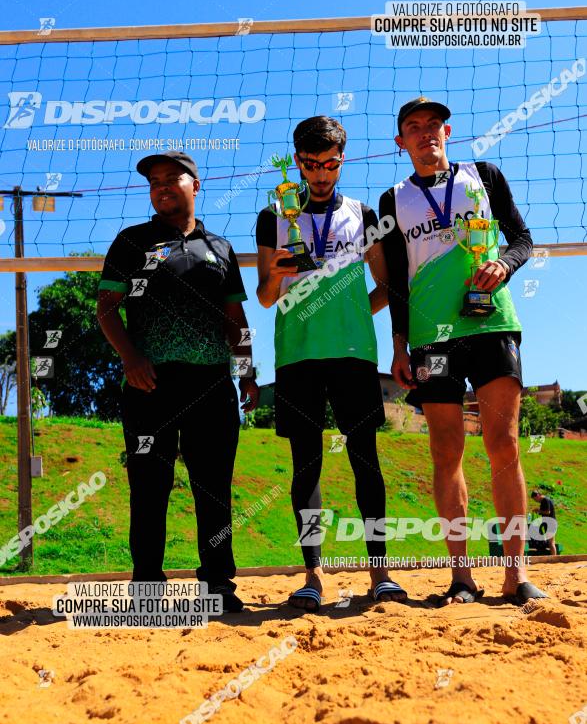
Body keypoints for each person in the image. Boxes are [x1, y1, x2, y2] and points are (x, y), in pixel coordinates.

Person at [379, 96, 547, 607]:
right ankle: (461, 577)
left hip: (492, 322)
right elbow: (398, 282)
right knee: (445, 450)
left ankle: (515, 574)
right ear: (401, 141)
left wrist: (505, 265)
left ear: (447, 132)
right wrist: (400, 345)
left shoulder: (484, 175)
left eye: (434, 124)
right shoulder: (392, 200)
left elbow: (522, 238)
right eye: (414, 126)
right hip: (432, 337)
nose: (426, 132)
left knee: (505, 444)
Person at [256, 115, 407, 611]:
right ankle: (313, 575)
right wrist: (277, 274)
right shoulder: (273, 215)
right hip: (296, 353)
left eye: (330, 164)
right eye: (311, 164)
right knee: (307, 464)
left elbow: (384, 286)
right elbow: (262, 297)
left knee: (366, 458)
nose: (321, 174)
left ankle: (379, 572)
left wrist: (348, 312)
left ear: (342, 161)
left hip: (353, 353)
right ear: (297, 162)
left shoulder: (363, 215)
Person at [97, 151, 258, 613]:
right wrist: (131, 358)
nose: (162, 186)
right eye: (154, 181)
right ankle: (147, 586)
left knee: (214, 488)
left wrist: (246, 371)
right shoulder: (132, 241)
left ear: (196, 184)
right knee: (149, 485)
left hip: (212, 384)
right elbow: (107, 308)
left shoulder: (221, 248)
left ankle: (218, 585)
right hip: (151, 384)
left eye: (173, 178)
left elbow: (236, 316)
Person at [530, 489, 557, 555]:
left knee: (551, 543)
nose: (535, 501)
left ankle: (554, 557)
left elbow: (548, 512)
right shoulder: (544, 501)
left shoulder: (545, 500)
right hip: (549, 523)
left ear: (538, 495)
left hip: (550, 524)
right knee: (551, 542)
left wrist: (538, 510)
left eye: (535, 499)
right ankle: (554, 557)